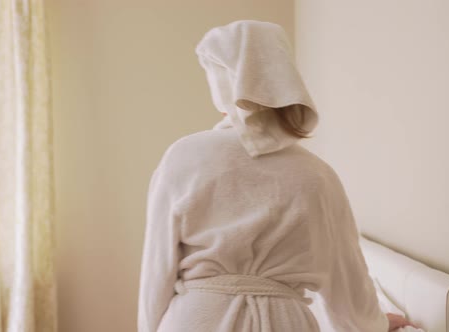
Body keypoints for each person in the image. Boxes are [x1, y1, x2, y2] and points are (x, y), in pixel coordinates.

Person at [138, 20, 416, 332]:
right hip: (285, 322)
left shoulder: (184, 157)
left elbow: (157, 269)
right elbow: (346, 280)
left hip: (195, 319)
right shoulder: (318, 176)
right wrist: (374, 325)